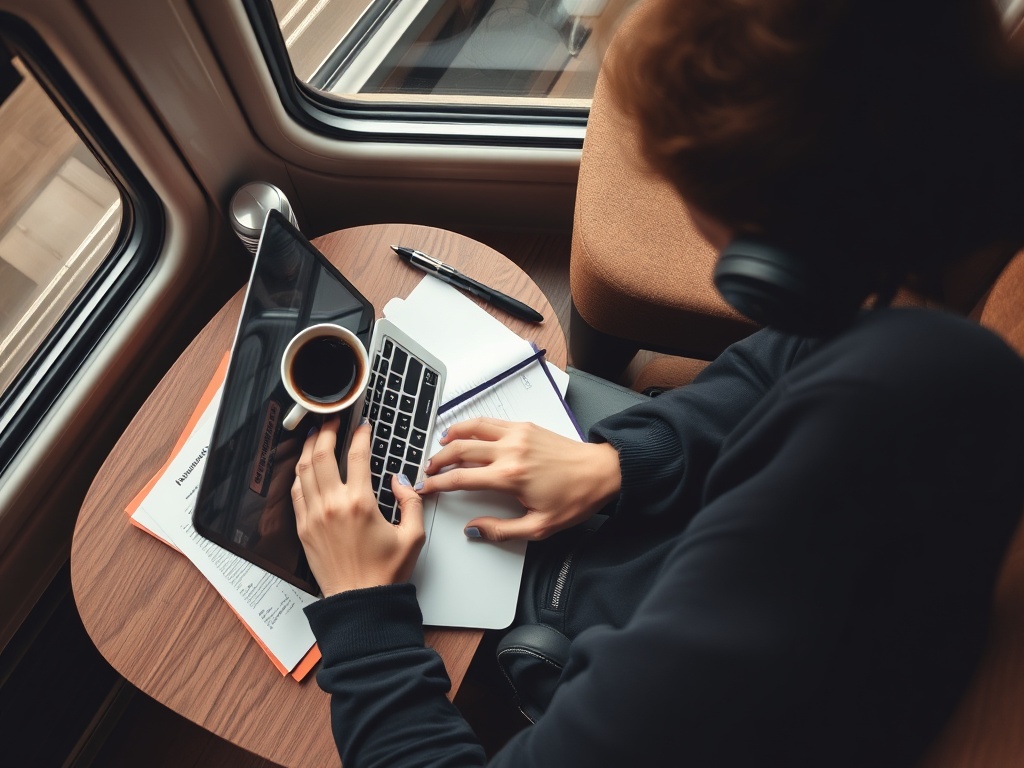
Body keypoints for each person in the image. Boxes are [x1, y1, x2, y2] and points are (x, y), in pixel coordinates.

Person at [291, 0, 1024, 765]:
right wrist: (622, 464)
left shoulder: (841, 482)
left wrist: (363, 613)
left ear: (765, 260)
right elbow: (788, 360)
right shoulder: (928, 343)